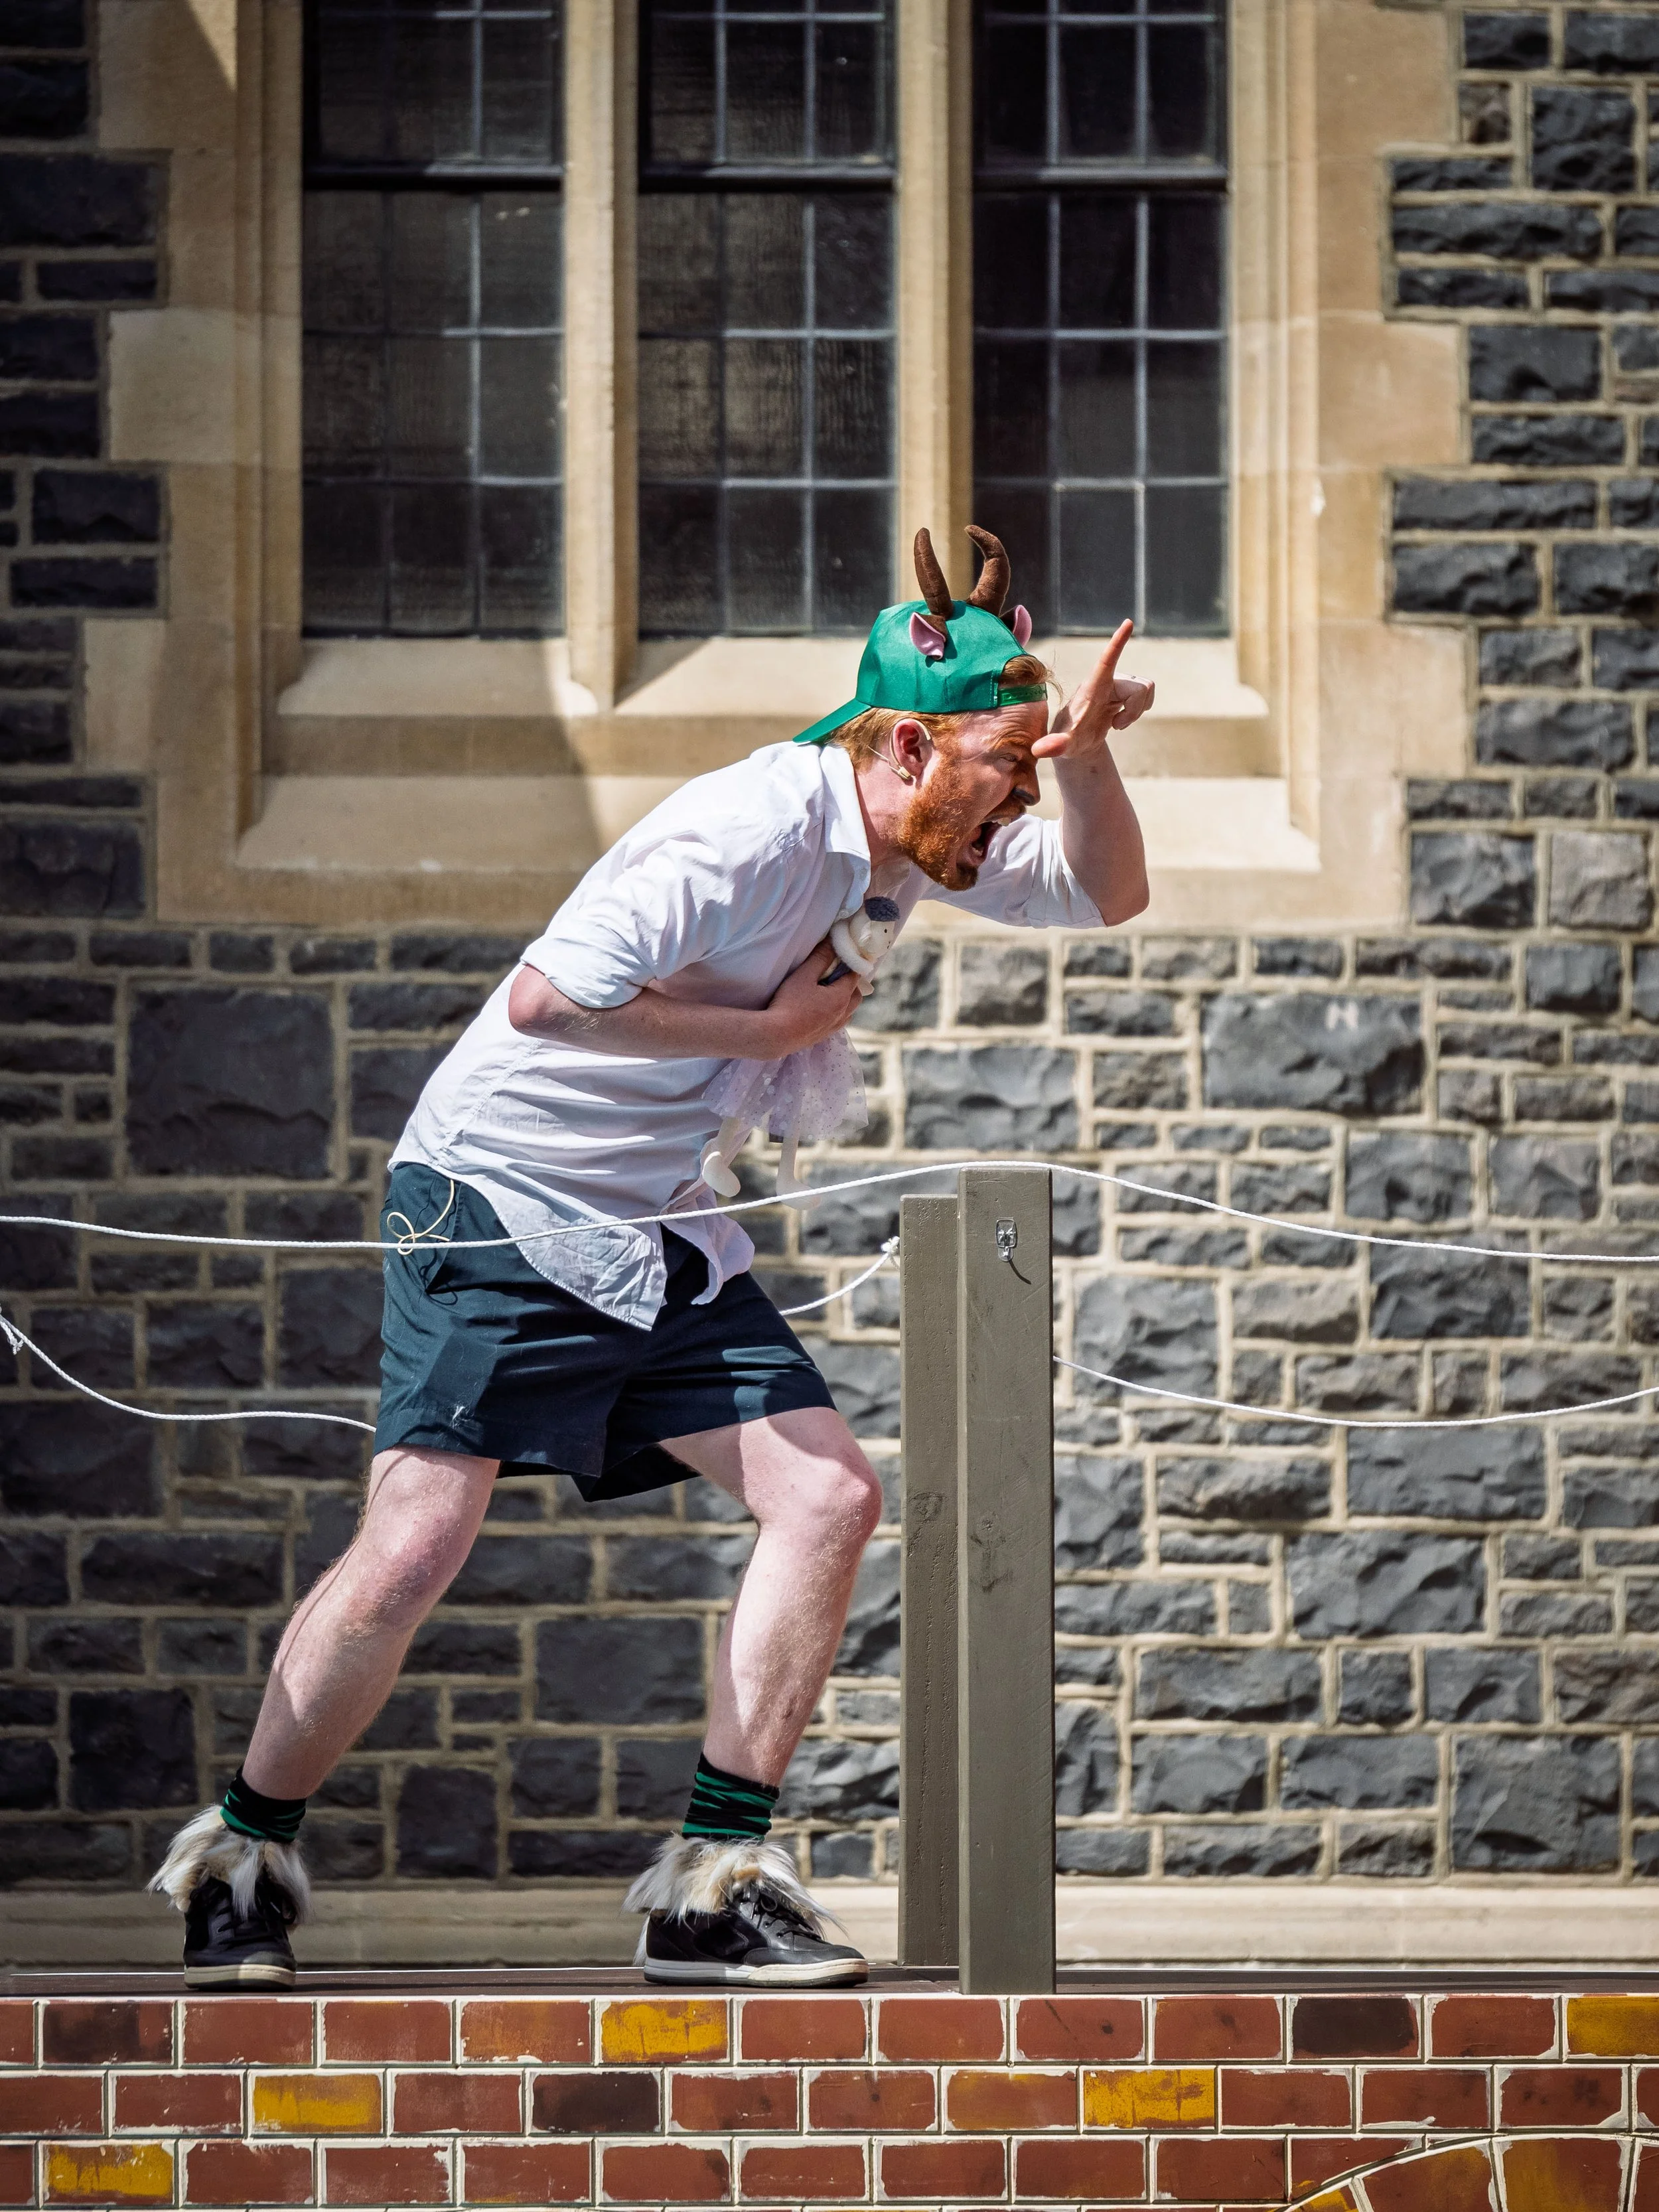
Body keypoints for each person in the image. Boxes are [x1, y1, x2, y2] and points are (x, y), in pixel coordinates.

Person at [151, 525, 1154, 1989]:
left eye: (1024, 768)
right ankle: (239, 1861)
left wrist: (1085, 755)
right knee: (415, 1544)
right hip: (500, 1195)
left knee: (826, 1495)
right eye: (1005, 764)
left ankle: (708, 1888)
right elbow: (548, 999)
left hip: (658, 1221)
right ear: (905, 744)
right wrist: (769, 1030)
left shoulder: (916, 838)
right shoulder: (741, 831)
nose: (1016, 796)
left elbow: (1104, 893)